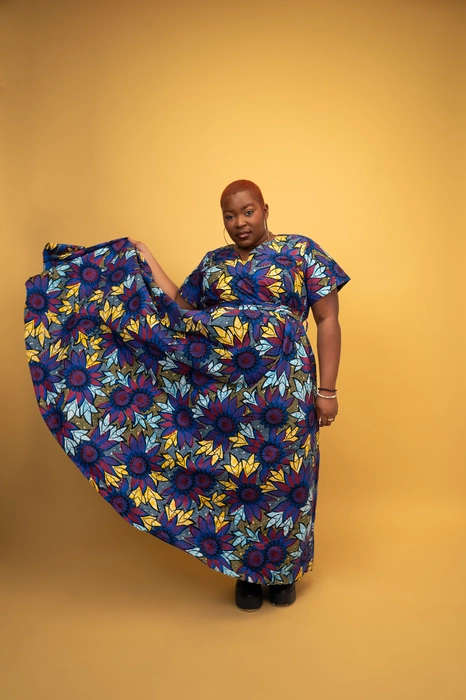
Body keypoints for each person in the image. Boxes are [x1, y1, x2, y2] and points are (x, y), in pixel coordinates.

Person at [24, 179, 350, 612]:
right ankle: (247, 573)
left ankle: (284, 571)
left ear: (265, 209)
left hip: (287, 388)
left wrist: (327, 389)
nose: (239, 222)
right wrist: (144, 256)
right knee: (238, 479)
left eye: (248, 212)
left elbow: (328, 320)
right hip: (225, 394)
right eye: (230, 216)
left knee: (289, 477)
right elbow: (181, 306)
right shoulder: (214, 262)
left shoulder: (301, 252)